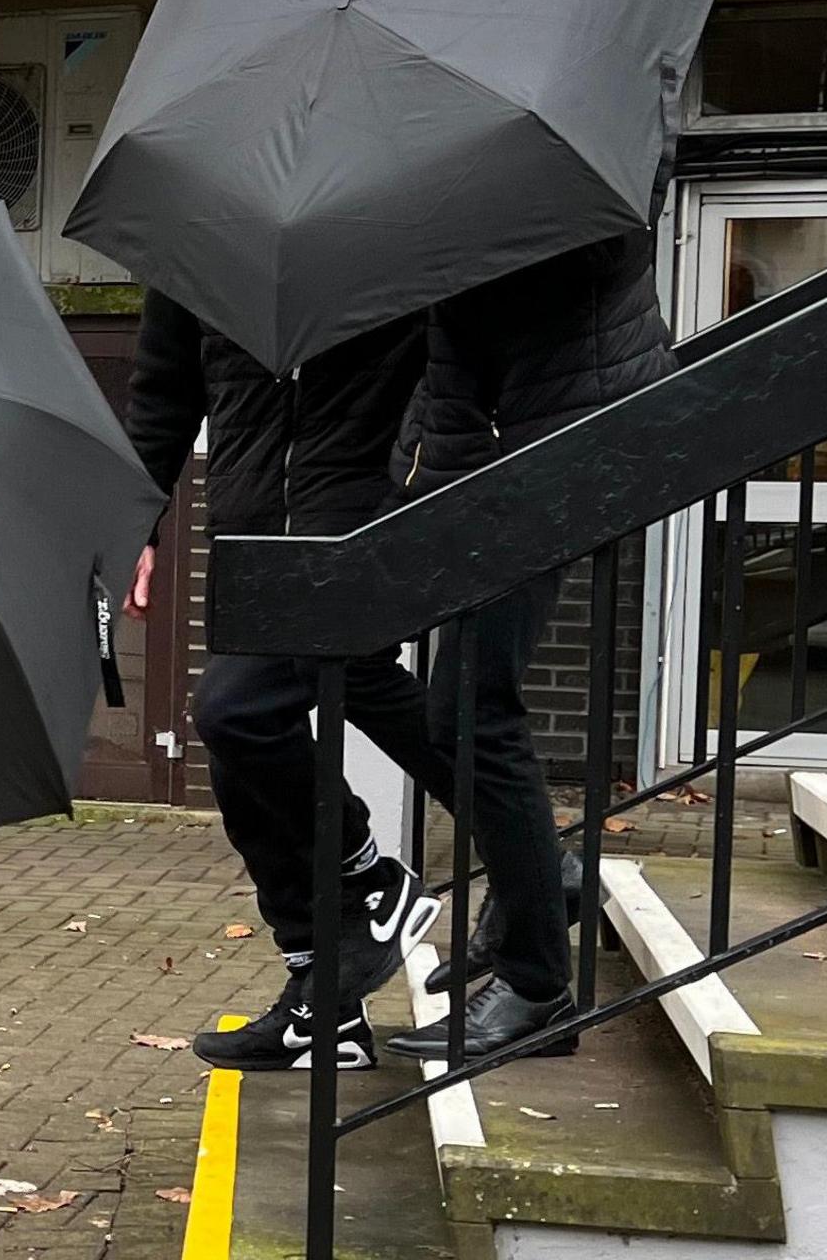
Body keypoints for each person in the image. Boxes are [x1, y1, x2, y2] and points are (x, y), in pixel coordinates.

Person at [122, 290, 444, 1072]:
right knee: (236, 752)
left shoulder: (387, 215)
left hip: (349, 525)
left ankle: (372, 878)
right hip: (249, 528)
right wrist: (135, 522)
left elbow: (448, 367)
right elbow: (165, 390)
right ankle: (321, 1003)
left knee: (235, 711)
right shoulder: (199, 234)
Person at [382, 227, 675, 1061]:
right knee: (457, 716)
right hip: (491, 454)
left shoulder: (576, 154)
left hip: (547, 451)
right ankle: (542, 889)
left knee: (473, 713)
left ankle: (538, 981)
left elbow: (595, 252)